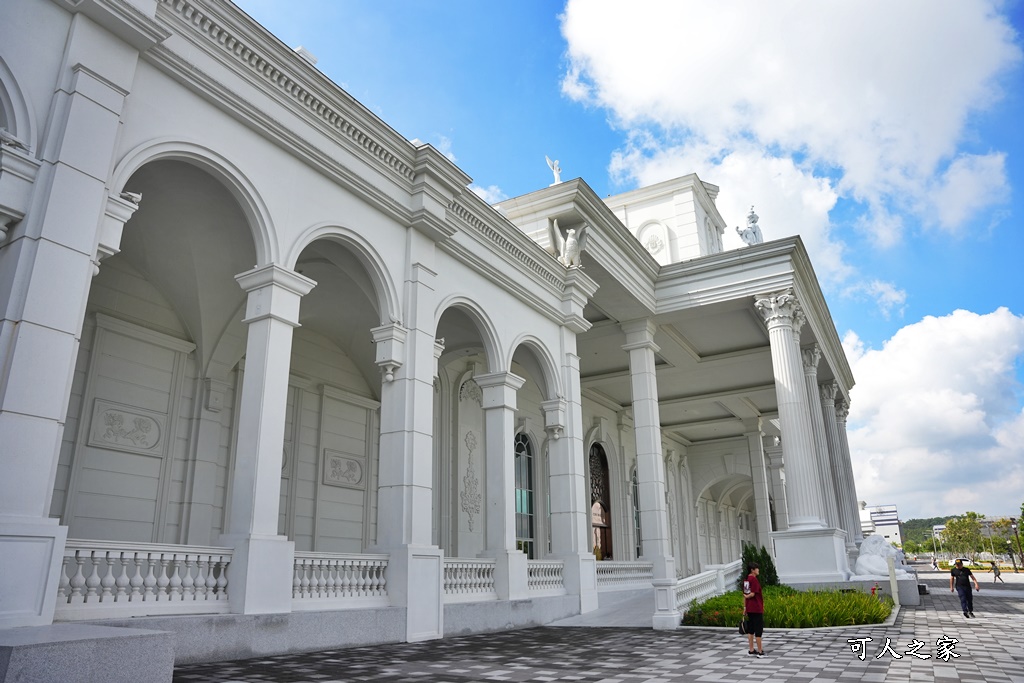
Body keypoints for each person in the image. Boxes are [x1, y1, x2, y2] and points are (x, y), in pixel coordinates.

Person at [743, 562, 765, 656]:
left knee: (751, 629)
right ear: (752, 570)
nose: (758, 570)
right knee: (758, 630)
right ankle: (760, 651)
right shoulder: (754, 580)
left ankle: (751, 649)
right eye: (757, 568)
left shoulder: (746, 579)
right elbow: (752, 593)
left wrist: (745, 607)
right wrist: (748, 596)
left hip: (749, 608)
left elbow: (745, 594)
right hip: (756, 607)